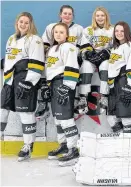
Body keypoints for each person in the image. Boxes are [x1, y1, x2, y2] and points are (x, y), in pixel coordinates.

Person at [0, 12, 44, 161]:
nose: (23, 24)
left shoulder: (35, 40)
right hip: (9, 80)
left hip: (24, 80)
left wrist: (29, 82)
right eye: (21, 22)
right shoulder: (11, 39)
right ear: (17, 23)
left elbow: (37, 62)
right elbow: (11, 59)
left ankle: (28, 145)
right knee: (2, 109)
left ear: (30, 24)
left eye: (26, 22)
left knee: (26, 113)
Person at [36, 5, 83, 120]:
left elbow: (84, 46)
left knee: (76, 72)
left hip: (72, 59)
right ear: (60, 14)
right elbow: (45, 43)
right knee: (43, 64)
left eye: (69, 14)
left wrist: (83, 55)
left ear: (73, 16)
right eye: (65, 13)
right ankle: (43, 101)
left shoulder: (78, 29)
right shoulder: (52, 27)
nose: (67, 16)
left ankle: (80, 100)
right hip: (56, 58)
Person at [44, 22, 80, 166]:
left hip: (63, 84)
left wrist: (67, 87)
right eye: (56, 32)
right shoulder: (52, 49)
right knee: (58, 120)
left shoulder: (69, 47)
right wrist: (46, 86)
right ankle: (63, 145)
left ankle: (73, 149)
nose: (58, 34)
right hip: (54, 85)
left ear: (67, 35)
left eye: (61, 32)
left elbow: (72, 67)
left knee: (66, 119)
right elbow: (50, 69)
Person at [104, 21, 131, 133]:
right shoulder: (115, 48)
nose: (119, 33)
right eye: (116, 31)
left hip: (126, 83)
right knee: (111, 117)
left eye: (122, 31)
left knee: (127, 118)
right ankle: (123, 143)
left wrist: (130, 87)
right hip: (115, 86)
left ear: (127, 32)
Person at [76, 7, 113, 115]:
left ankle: (104, 96)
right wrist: (88, 53)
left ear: (106, 16)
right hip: (92, 57)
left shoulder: (112, 29)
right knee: (85, 66)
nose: (100, 18)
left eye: (102, 15)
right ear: (94, 17)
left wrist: (106, 52)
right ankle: (83, 97)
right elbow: (84, 47)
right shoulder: (88, 30)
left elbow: (116, 46)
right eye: (98, 15)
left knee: (106, 66)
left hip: (105, 58)